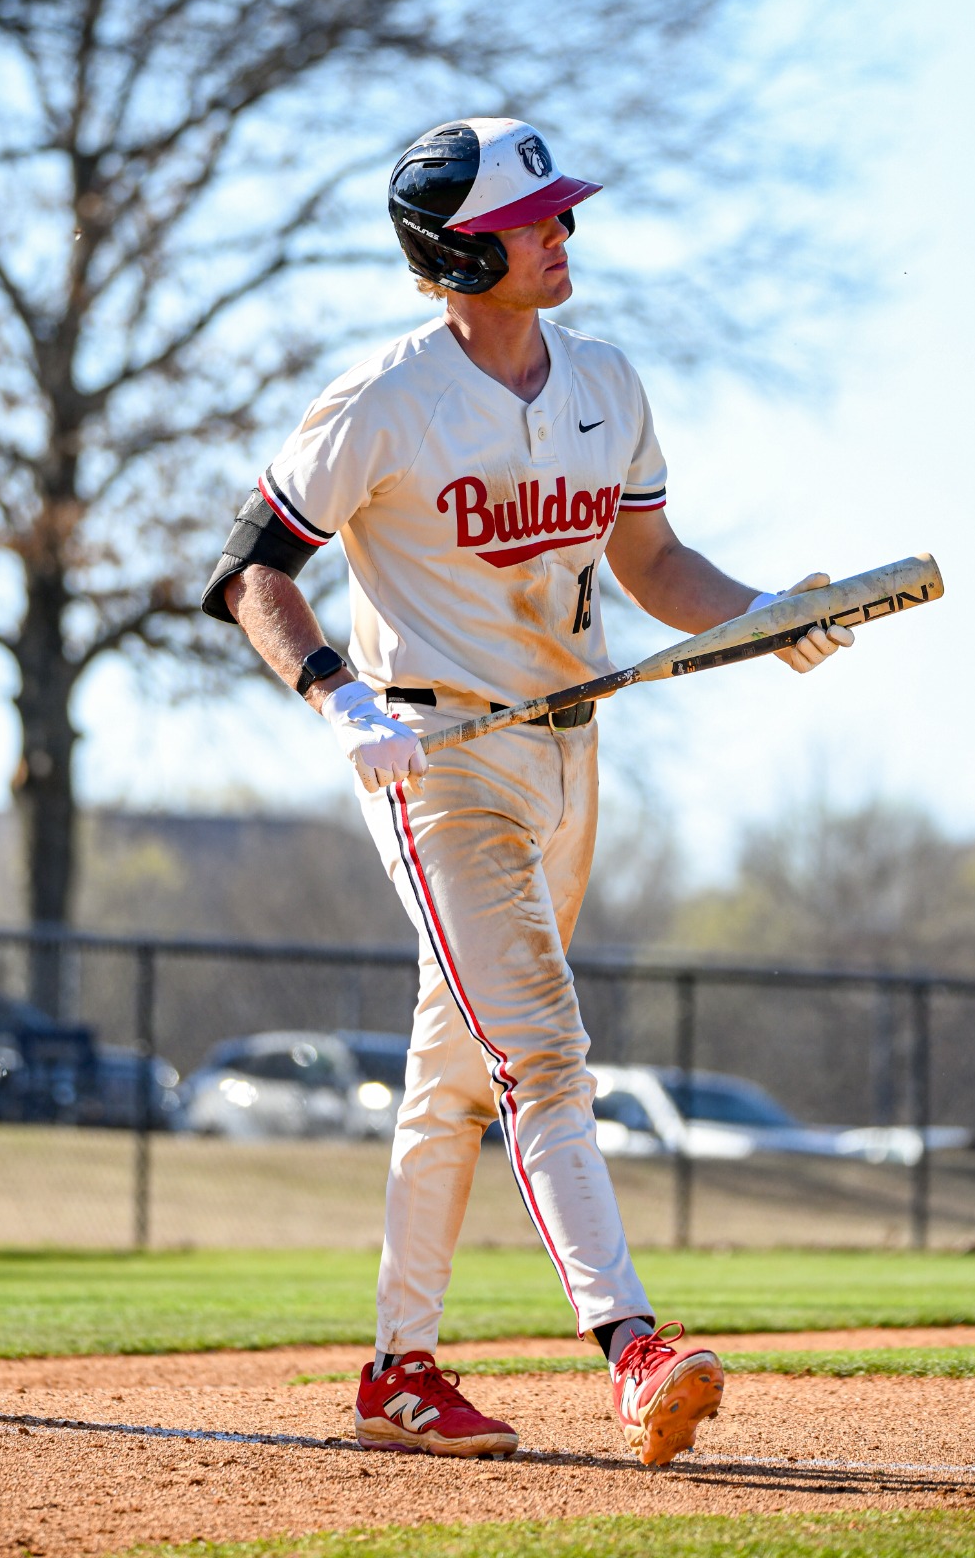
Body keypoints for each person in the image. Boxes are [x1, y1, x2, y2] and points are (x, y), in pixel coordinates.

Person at [201, 117, 851, 1464]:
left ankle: (398, 1371)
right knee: (542, 1052)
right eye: (538, 217)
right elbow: (247, 569)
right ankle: (631, 1345)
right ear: (458, 248)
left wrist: (764, 616)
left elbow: (654, 565)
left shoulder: (605, 378)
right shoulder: (383, 398)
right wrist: (335, 692)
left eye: (561, 211)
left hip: (568, 753)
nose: (564, 231)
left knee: (455, 1076)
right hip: (433, 763)